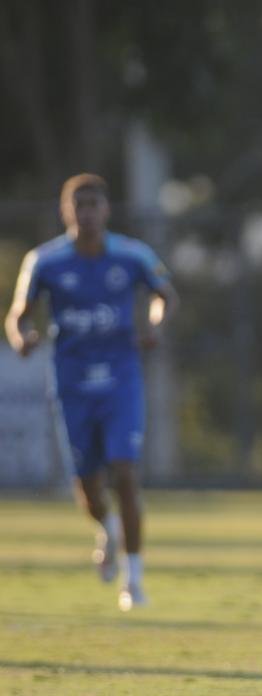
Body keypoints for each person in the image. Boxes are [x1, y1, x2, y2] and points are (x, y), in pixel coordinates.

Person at [5, 173, 178, 612]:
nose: (87, 213)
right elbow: (18, 316)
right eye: (78, 205)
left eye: (94, 204)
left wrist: (155, 324)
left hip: (121, 379)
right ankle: (108, 528)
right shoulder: (45, 261)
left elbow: (165, 295)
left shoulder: (132, 254)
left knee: (125, 472)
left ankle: (134, 580)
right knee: (88, 491)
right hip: (72, 383)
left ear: (107, 210)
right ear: (66, 211)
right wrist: (22, 338)